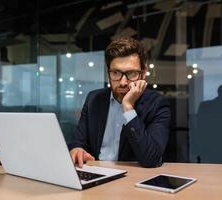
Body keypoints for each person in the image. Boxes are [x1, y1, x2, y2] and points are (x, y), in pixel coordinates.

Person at [68, 37, 171, 168]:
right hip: (96, 174)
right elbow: (78, 141)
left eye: (131, 73)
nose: (123, 82)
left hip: (132, 180)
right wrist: (76, 149)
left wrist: (128, 107)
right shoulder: (93, 99)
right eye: (116, 73)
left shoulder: (158, 104)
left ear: (143, 73)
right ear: (108, 73)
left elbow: (151, 159)